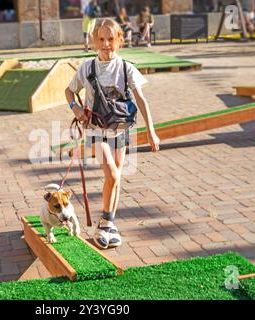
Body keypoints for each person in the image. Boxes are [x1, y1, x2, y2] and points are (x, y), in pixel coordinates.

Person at [65, 18, 160, 249]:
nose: (106, 44)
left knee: (116, 178)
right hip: (96, 130)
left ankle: (109, 225)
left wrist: (151, 131)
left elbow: (141, 100)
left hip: (122, 130)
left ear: (119, 40)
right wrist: (75, 108)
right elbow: (69, 91)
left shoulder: (126, 68)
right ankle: (104, 223)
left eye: (110, 39)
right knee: (114, 175)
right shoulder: (87, 67)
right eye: (101, 39)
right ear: (94, 40)